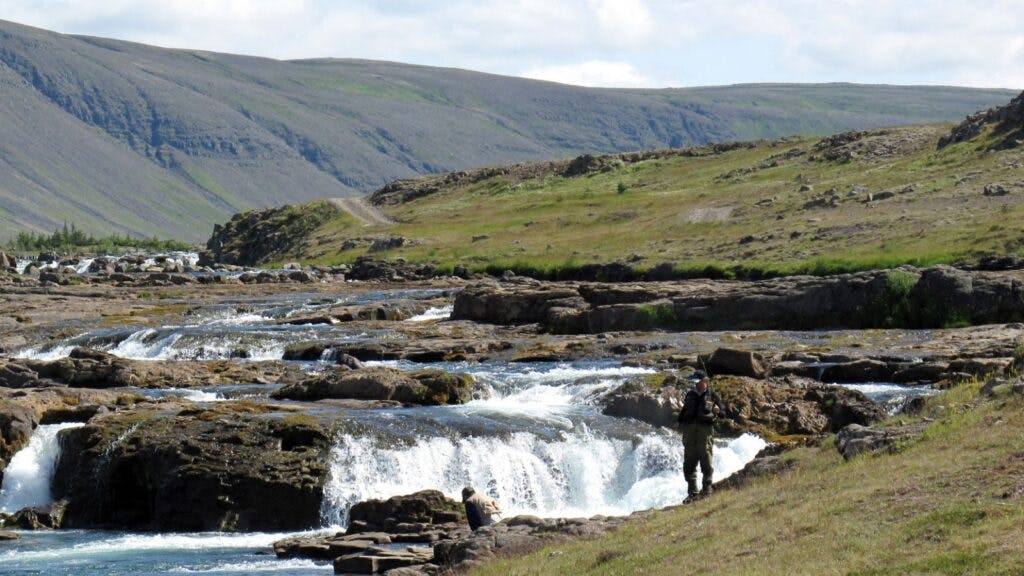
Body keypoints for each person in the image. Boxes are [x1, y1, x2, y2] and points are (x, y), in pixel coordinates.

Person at [677, 374, 724, 501]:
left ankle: (707, 489)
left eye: (700, 382)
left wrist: (718, 410)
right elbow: (682, 413)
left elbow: (723, 414)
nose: (697, 385)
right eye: (696, 383)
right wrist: (679, 422)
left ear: (706, 381)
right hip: (689, 434)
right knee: (688, 465)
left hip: (705, 433)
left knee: (706, 463)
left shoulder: (713, 396)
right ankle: (692, 492)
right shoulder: (689, 395)